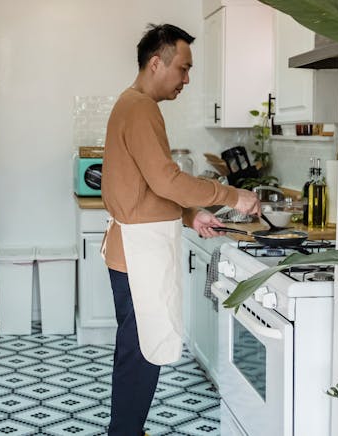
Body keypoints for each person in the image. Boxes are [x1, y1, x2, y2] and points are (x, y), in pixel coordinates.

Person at [101, 23, 261, 436]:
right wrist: (230, 195)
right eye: (183, 68)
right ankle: (125, 432)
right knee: (140, 353)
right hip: (139, 253)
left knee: (140, 349)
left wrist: (192, 216)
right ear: (157, 63)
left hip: (136, 249)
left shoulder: (133, 105)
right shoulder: (139, 107)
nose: (187, 79)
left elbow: (147, 185)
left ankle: (128, 429)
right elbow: (168, 180)